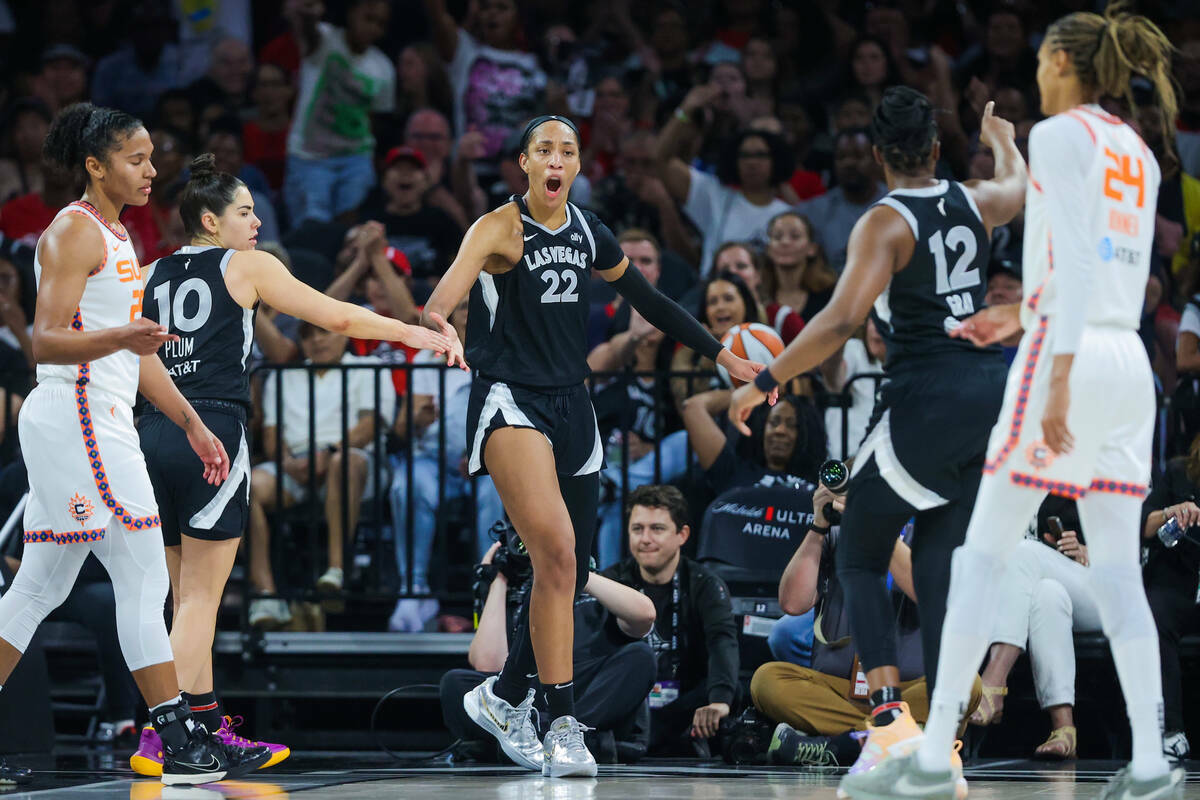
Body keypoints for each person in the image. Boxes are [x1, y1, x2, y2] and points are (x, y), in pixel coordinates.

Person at [842, 7, 1183, 799]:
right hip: (1127, 359)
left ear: (1063, 60)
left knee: (979, 556)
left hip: (1065, 359)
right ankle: (1152, 764)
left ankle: (929, 760)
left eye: (1041, 60)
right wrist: (1021, 310)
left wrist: (1052, 364)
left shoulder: (1063, 134)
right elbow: (1101, 269)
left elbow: (1067, 253)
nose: (1035, 73)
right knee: (1119, 573)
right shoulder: (1135, 149)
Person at [420, 114, 764, 777]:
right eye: (543, 149)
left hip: (574, 405)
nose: (555, 159)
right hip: (510, 398)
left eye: (567, 151)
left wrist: (724, 354)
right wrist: (443, 328)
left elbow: (653, 301)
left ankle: (507, 696)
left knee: (570, 575)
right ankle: (562, 725)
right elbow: (442, 296)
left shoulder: (588, 231)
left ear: (578, 167)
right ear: (524, 162)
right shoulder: (498, 226)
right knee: (555, 550)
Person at [728, 87, 1026, 793]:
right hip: (990, 394)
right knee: (941, 559)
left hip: (925, 392)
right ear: (933, 148)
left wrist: (766, 381)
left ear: (878, 155)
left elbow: (837, 323)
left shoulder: (886, 222)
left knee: (859, 550)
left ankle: (890, 731)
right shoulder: (975, 198)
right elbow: (1018, 183)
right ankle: (941, 748)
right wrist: (1002, 136)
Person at [128, 154, 452, 776]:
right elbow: (337, 317)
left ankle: (204, 726)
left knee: (182, 602)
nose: (255, 222)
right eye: (244, 212)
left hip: (149, 430)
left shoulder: (146, 271)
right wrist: (416, 335)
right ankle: (160, 733)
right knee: (200, 600)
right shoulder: (246, 265)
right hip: (213, 431)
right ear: (208, 219)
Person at [0, 102, 270, 785]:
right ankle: (180, 738)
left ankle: (179, 733)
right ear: (95, 166)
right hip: (82, 414)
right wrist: (123, 337)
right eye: (136, 159)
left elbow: (141, 355)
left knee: (35, 591)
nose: (153, 170)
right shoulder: (73, 231)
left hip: (95, 412)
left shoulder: (121, 240)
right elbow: (45, 339)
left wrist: (190, 421)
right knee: (145, 577)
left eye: (153, 157)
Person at [441, 539, 656, 760]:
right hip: (528, 694)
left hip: (583, 687)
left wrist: (570, 570)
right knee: (455, 683)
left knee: (641, 657)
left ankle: (546, 737)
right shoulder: (510, 589)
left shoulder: (593, 582)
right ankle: (577, 741)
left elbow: (645, 616)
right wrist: (499, 579)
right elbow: (487, 662)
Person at [600, 485, 738, 755]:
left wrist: (720, 700)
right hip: (629, 705)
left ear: (682, 535)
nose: (645, 539)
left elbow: (722, 642)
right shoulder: (612, 581)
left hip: (683, 705)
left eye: (657, 529)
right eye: (637, 529)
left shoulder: (704, 584)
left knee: (730, 696)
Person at [967, 498, 1098, 760]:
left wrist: (1089, 550)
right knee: (1047, 595)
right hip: (1047, 578)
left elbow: (1138, 538)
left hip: (1105, 585)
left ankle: (994, 680)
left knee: (1023, 552)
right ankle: (1064, 728)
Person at [283, 0, 395, 226]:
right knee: (312, 227)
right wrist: (307, 15)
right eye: (368, 18)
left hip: (355, 159)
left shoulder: (383, 68)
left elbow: (375, 119)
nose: (373, 28)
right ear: (352, 13)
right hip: (309, 156)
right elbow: (307, 31)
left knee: (352, 230)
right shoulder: (324, 38)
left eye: (380, 23)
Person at [795, 129, 888, 272]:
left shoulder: (896, 204)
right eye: (841, 157)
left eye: (858, 156)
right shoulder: (814, 211)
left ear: (877, 159)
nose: (849, 163)